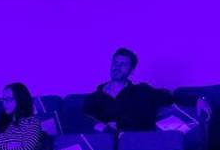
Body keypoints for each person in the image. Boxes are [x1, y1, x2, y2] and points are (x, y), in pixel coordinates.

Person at [83, 47, 212, 132]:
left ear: (131, 71)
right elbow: (82, 120)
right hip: (107, 145)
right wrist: (99, 126)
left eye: (123, 64)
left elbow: (171, 96)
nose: (117, 67)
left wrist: (198, 99)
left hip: (138, 142)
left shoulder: (142, 91)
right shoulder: (94, 98)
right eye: (115, 63)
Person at [0, 82, 49, 150]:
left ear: (21, 100)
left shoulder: (32, 123)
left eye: (9, 99)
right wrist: (11, 146)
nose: (4, 103)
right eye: (3, 99)